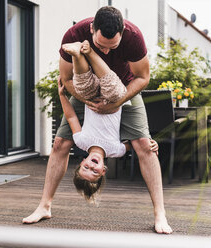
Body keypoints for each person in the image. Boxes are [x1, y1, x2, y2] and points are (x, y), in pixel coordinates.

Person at [23, 6, 173, 234]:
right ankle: (44, 206)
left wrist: (115, 104)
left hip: (123, 91)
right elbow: (66, 80)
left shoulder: (133, 38)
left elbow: (142, 78)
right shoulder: (74, 35)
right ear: (92, 29)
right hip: (87, 93)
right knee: (60, 143)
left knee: (144, 146)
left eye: (111, 47)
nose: (105, 51)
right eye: (100, 45)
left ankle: (160, 214)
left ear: (122, 32)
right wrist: (90, 101)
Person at [59, 40, 159, 201]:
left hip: (92, 96)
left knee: (84, 87)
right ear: (103, 170)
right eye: (95, 171)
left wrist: (62, 95)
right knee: (113, 93)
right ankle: (90, 53)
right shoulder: (116, 151)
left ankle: (78, 54)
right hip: (114, 99)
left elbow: (71, 117)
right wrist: (153, 142)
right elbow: (136, 144)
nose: (91, 166)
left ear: (82, 161)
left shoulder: (81, 141)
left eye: (86, 167)